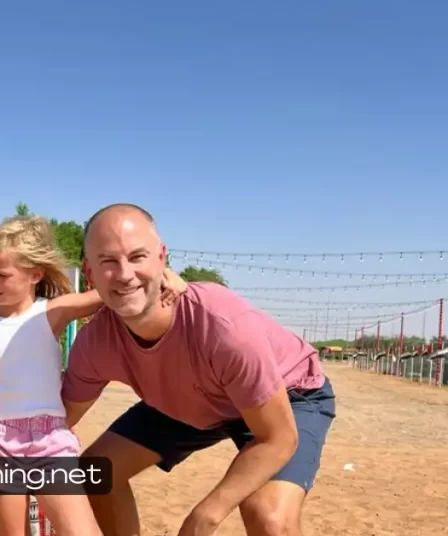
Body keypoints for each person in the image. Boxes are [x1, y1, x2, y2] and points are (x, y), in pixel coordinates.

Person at [61, 203, 336, 536]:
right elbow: (58, 419)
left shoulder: (222, 327)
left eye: (137, 257)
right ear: (89, 274)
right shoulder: (96, 342)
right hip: (189, 399)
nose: (123, 273)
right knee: (95, 471)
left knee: (268, 517)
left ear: (161, 258)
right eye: (108, 261)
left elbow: (278, 438)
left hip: (287, 394)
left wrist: (205, 515)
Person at [0, 215, 188, 536]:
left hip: (51, 443)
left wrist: (162, 275)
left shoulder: (52, 312)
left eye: (3, 275)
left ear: (35, 274)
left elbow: (111, 292)